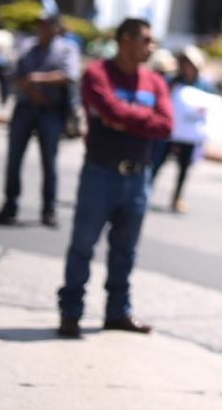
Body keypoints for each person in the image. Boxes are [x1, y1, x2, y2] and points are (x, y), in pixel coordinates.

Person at [56, 18, 172, 338]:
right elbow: (108, 109)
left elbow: (165, 126)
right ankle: (71, 313)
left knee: (126, 250)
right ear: (125, 40)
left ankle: (118, 312)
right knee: (83, 245)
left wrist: (124, 119)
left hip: (138, 178)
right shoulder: (97, 74)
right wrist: (136, 119)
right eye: (146, 40)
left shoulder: (155, 82)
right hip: (101, 173)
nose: (151, 47)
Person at [0, 11, 80, 228]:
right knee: (14, 158)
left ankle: (49, 209)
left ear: (56, 28)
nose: (41, 29)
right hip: (26, 107)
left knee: (49, 162)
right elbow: (12, 73)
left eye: (46, 25)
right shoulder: (26, 45)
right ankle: (10, 204)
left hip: (51, 111)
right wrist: (30, 89)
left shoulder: (66, 48)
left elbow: (69, 75)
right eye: (39, 25)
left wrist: (38, 80)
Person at [151, 45, 215, 212]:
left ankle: (177, 197)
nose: (185, 66)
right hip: (168, 132)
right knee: (157, 162)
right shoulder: (171, 82)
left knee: (184, 168)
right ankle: (147, 191)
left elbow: (209, 108)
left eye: (189, 63)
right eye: (183, 62)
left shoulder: (204, 86)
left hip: (189, 135)